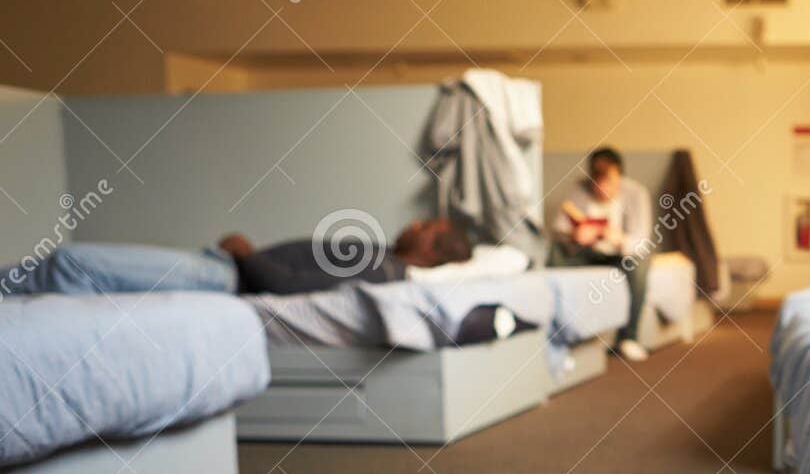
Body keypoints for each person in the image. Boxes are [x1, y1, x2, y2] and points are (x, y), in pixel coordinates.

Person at [1, 218, 471, 297]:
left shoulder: (383, 268)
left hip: (225, 278)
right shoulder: (381, 255)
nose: (413, 224)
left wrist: (245, 255)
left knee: (73, 264)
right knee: (72, 273)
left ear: (431, 249)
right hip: (223, 269)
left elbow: (290, 287)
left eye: (424, 227)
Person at [553, 146, 654, 363]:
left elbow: (642, 240)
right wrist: (575, 235)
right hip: (587, 254)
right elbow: (559, 228)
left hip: (619, 256)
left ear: (619, 176)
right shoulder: (578, 190)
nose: (602, 187)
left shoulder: (636, 194)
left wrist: (619, 239)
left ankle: (628, 337)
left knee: (640, 262)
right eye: (597, 181)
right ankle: (557, 332)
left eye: (608, 181)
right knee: (554, 251)